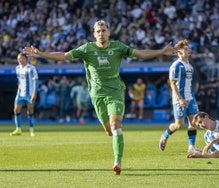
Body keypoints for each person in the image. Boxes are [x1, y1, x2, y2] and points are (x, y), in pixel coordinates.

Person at [23, 20, 177, 175]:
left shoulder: (118, 47)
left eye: (103, 30)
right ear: (94, 34)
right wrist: (41, 54)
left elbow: (140, 53)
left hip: (115, 91)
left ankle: (117, 161)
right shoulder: (87, 49)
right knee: (109, 131)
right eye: (98, 31)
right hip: (97, 94)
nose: (101, 33)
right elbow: (64, 56)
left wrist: (161, 52)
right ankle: (114, 140)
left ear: (108, 32)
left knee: (115, 124)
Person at [159, 39, 199, 154]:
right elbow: (172, 84)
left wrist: (190, 97)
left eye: (188, 48)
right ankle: (164, 136)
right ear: (179, 52)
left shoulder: (190, 67)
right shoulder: (175, 66)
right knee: (179, 125)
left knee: (193, 123)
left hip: (190, 98)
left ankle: (191, 148)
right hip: (179, 99)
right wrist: (180, 98)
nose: (189, 50)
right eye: (186, 49)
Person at [10, 53, 39, 137]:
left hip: (29, 94)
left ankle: (31, 130)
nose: (19, 60)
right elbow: (19, 80)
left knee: (30, 111)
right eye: (18, 59)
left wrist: (34, 92)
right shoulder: (17, 68)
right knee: (16, 110)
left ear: (26, 59)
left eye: (21, 58)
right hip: (20, 93)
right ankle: (18, 129)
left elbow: (35, 81)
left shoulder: (31, 68)